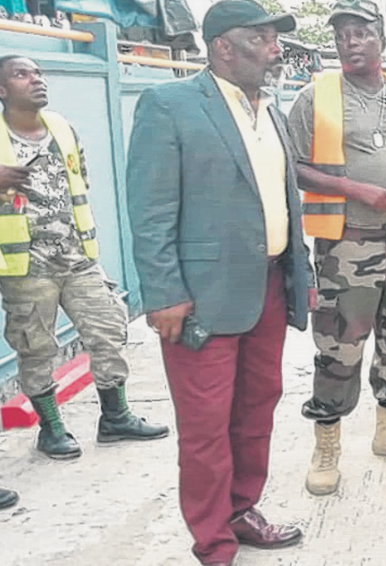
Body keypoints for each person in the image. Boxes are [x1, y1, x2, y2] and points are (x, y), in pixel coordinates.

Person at [126, 1, 314, 563]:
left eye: (275, 38)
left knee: (257, 410)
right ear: (223, 47)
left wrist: (297, 275)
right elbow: (151, 210)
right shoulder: (170, 105)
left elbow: (281, 201)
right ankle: (213, 542)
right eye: (263, 38)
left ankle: (241, 508)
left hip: (269, 288)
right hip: (201, 298)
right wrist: (163, 294)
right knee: (206, 427)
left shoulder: (271, 111)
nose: (276, 48)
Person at [288, 0, 386, 497]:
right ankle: (327, 445)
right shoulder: (315, 96)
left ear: (382, 38)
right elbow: (294, 165)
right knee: (340, 344)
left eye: (360, 33)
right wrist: (357, 189)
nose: (350, 42)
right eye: (341, 35)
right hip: (346, 245)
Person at [0, 55, 169, 460]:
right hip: (27, 266)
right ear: (2, 90)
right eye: (22, 74)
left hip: (78, 259)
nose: (37, 80)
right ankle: (52, 429)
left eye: (38, 72)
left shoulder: (61, 127)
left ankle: (115, 417)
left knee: (108, 329)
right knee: (36, 348)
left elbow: (81, 178)